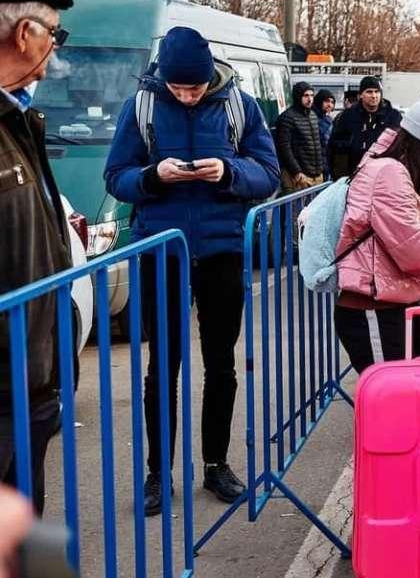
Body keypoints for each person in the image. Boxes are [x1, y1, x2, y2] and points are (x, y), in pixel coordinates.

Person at [105, 26, 280, 516]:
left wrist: (228, 173)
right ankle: (158, 474)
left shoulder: (238, 105)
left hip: (223, 249)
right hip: (162, 249)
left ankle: (216, 464)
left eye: (195, 88)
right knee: (162, 365)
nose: (187, 96)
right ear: (164, 78)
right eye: (179, 89)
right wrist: (150, 177)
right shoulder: (139, 107)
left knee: (222, 363)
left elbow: (268, 173)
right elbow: (116, 176)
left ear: (210, 78)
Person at [0, 0, 75, 515]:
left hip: (30, 389)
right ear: (25, 34)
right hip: (7, 393)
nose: (54, 51)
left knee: (35, 545)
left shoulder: (20, 118)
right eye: (54, 33)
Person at [334, 90, 420, 372]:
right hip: (378, 305)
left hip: (384, 299)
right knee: (391, 398)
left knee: (394, 397)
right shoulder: (390, 174)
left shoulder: (388, 166)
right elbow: (418, 252)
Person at [327, 76, 401, 178]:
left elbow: (400, 148)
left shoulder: (393, 116)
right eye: (369, 92)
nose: (374, 96)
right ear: (360, 95)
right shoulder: (347, 116)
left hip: (384, 177)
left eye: (377, 91)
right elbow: (336, 149)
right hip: (353, 176)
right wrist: (341, 178)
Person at [275, 81, 324, 193]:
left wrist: (321, 169)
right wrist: (297, 172)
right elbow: (284, 148)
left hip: (316, 176)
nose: (310, 99)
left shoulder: (313, 115)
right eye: (306, 95)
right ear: (298, 96)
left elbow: (318, 144)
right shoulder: (287, 118)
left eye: (312, 95)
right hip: (299, 177)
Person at [312, 88, 335, 155]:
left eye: (332, 102)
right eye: (327, 101)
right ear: (319, 101)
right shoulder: (311, 117)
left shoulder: (328, 119)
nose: (330, 105)